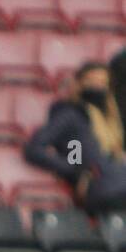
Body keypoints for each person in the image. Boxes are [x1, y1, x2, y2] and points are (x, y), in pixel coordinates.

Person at [23, 61, 126, 213]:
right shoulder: (71, 114)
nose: (98, 87)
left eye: (103, 83)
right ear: (79, 84)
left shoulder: (111, 120)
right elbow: (36, 148)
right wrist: (76, 172)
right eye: (92, 81)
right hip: (105, 188)